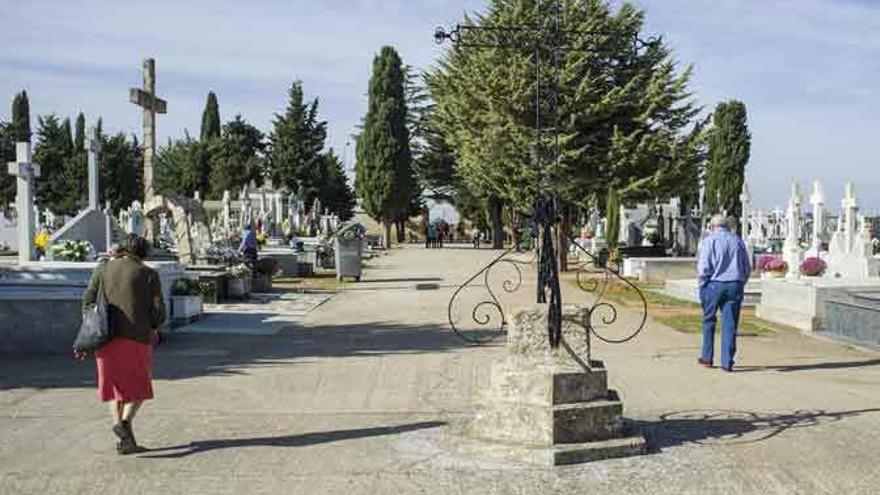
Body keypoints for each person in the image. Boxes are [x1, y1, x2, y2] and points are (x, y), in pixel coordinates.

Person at [81, 234, 166, 455]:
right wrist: (154, 326)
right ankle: (124, 423)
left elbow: (88, 300)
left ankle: (125, 441)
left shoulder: (102, 269)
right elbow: (158, 311)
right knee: (139, 386)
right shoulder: (149, 274)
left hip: (105, 337)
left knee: (115, 388)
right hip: (136, 337)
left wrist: (94, 323)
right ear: (143, 252)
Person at [697, 214, 751, 372]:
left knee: (709, 320)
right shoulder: (737, 241)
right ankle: (727, 361)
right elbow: (746, 267)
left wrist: (702, 285)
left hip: (714, 284)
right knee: (730, 323)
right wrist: (741, 282)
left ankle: (707, 357)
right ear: (727, 226)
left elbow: (703, 268)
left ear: (713, 226)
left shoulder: (710, 241)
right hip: (734, 284)